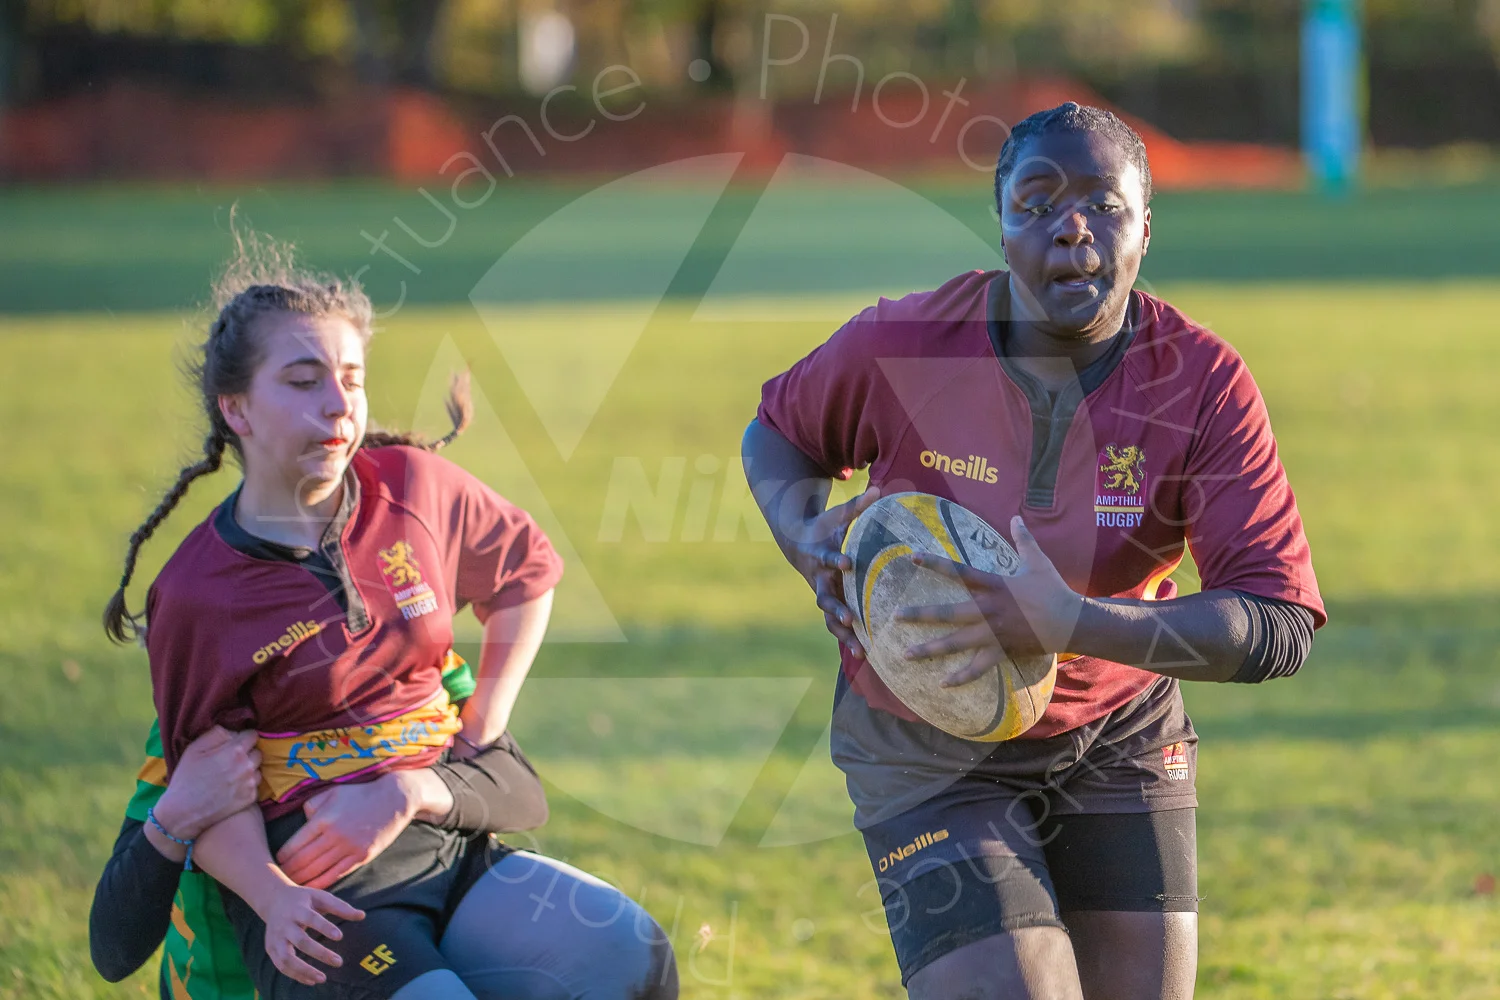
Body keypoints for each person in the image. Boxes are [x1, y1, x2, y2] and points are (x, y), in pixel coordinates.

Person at [742, 103, 1324, 1000]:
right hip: (921, 733)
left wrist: (1073, 624)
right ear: (1002, 223)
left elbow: (1278, 623)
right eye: (1038, 203)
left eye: (1104, 204)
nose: (1072, 230)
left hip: (1117, 731)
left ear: (1145, 227)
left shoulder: (1203, 384)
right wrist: (804, 536)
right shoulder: (905, 343)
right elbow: (779, 431)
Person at [101, 233, 678, 1000]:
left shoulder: (412, 485)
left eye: (350, 378)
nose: (339, 405)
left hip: (445, 845)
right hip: (325, 901)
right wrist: (273, 900)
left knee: (629, 955)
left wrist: (476, 733)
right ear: (234, 407)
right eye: (304, 382)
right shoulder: (200, 590)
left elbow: (526, 571)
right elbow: (211, 784)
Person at [89, 649, 550, 999]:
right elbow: (114, 951)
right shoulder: (207, 699)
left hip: (416, 935)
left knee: (609, 955)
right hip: (250, 983)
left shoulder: (419, 652)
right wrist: (176, 816)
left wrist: (407, 792)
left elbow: (518, 791)